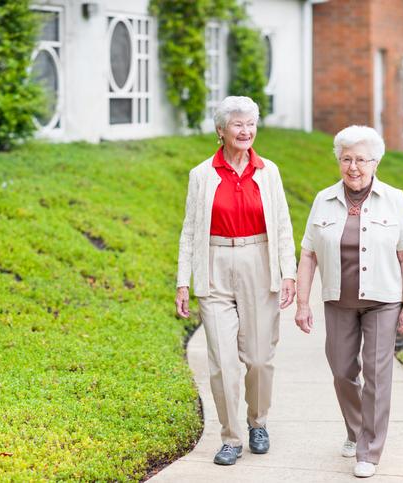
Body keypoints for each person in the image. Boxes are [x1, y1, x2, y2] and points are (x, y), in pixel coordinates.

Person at [175, 96, 297, 466]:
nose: (246, 131)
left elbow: (282, 226)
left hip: (258, 260)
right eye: (238, 125)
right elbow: (189, 231)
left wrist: (287, 272)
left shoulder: (269, 171)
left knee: (259, 358)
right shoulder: (202, 174)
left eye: (251, 124)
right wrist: (183, 281)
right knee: (223, 361)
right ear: (221, 131)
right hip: (214, 264)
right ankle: (230, 437)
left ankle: (257, 423)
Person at [294, 125, 403, 478]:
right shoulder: (324, 199)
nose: (353, 167)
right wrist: (303, 304)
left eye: (361, 159)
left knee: (378, 376)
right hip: (338, 301)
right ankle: (355, 429)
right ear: (338, 161)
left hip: (383, 302)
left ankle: (369, 451)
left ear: (375, 162)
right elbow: (308, 255)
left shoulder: (394, 198)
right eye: (346, 159)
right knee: (342, 372)